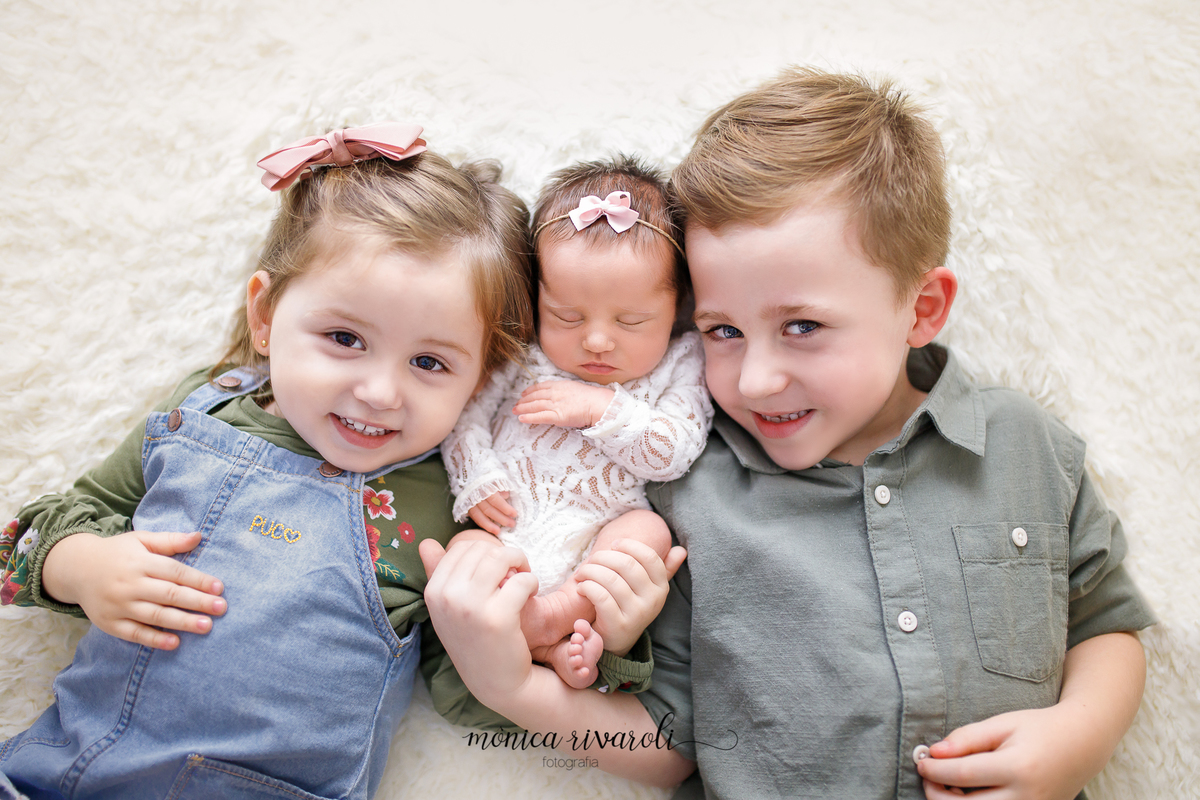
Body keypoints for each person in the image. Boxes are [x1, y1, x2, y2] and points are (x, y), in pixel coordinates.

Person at [418, 68, 1158, 799]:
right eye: (723, 330)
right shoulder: (687, 492)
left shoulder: (1021, 445)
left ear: (922, 309)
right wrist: (512, 687)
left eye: (803, 327)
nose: (755, 380)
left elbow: (1103, 617)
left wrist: (1078, 736)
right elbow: (667, 745)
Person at [0, 123, 535, 799]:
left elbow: (474, 698)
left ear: (482, 380)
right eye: (344, 338)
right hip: (55, 776)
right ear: (265, 315)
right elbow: (28, 536)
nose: (378, 391)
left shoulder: (452, 505)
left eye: (429, 362)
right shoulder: (201, 412)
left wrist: (532, 645)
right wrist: (79, 567)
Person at [439, 156, 713, 689]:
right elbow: (463, 416)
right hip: (507, 528)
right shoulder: (526, 355)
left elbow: (675, 451)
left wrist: (600, 411)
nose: (596, 340)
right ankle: (540, 645)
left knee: (646, 534)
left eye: (631, 321)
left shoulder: (683, 362)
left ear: (677, 305)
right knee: (463, 552)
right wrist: (475, 478)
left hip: (596, 533)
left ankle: (558, 619)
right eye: (567, 315)